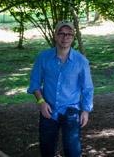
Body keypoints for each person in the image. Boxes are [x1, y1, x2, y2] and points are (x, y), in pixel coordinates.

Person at [27, 20, 93, 157]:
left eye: (69, 34)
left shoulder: (81, 61)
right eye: (61, 34)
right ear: (55, 36)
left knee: (72, 150)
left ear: (73, 37)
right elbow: (34, 83)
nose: (65, 37)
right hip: (48, 109)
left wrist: (85, 111)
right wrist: (41, 102)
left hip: (71, 109)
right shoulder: (43, 57)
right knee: (47, 149)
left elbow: (87, 88)